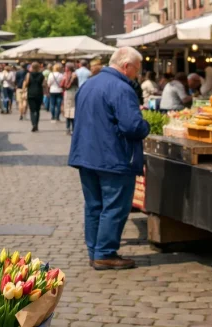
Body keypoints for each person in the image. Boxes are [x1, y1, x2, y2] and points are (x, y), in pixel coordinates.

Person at [68, 47, 149, 270]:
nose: (136, 74)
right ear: (126, 66)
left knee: (94, 206)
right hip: (113, 156)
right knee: (114, 206)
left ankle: (95, 251)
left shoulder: (88, 84)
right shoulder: (121, 88)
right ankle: (104, 253)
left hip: (87, 155)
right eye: (136, 69)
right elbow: (132, 126)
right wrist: (145, 126)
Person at [24, 62, 45, 132]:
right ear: (39, 67)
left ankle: (33, 124)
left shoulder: (28, 74)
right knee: (37, 110)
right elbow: (44, 84)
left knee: (32, 110)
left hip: (31, 93)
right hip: (39, 93)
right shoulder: (41, 75)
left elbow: (26, 84)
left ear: (32, 67)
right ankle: (36, 124)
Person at [62, 63, 78, 135]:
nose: (65, 68)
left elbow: (67, 86)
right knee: (70, 111)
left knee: (70, 111)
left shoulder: (71, 75)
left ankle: (69, 128)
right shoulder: (71, 74)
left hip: (70, 93)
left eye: (66, 67)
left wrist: (65, 81)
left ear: (68, 68)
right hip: (72, 92)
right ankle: (71, 128)